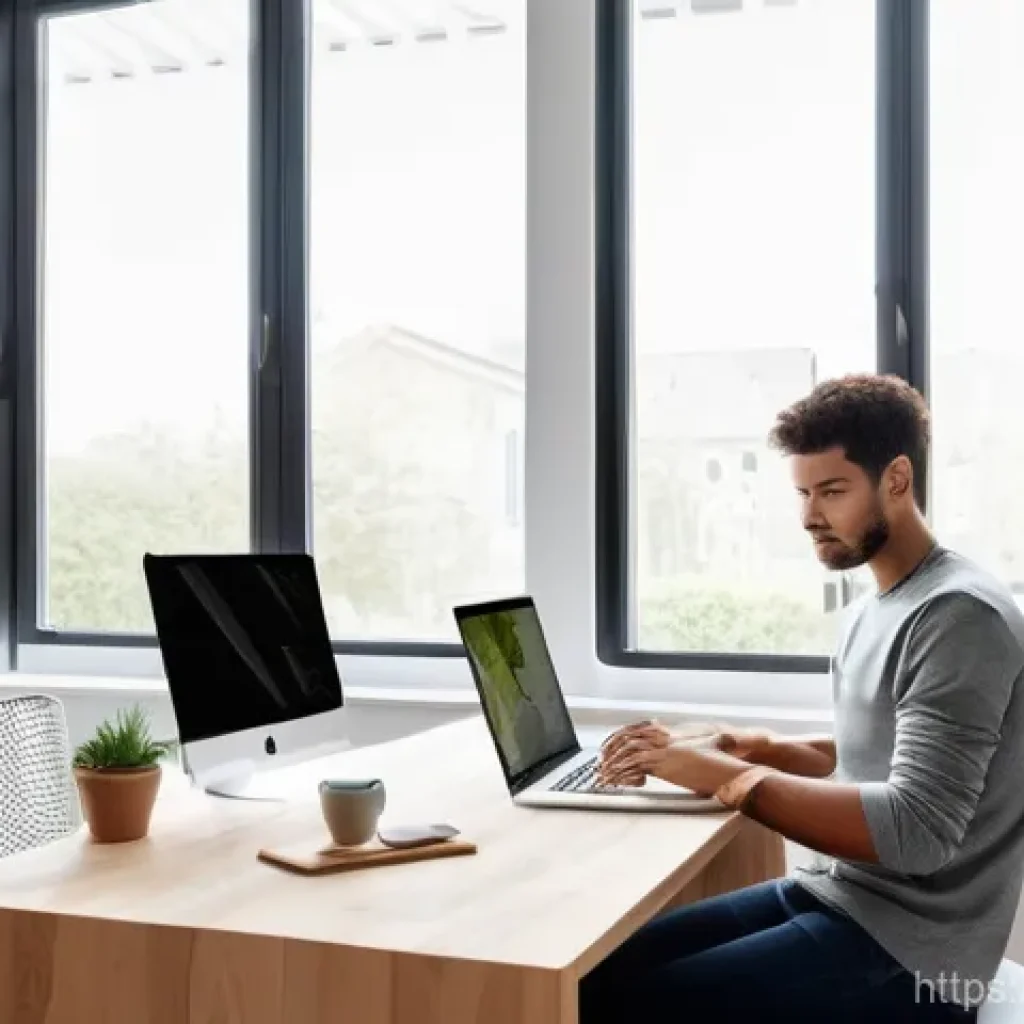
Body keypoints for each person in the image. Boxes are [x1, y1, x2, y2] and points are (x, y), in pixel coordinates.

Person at [581, 374, 1024, 1023]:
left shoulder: (958, 616)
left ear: (897, 479)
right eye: (802, 493)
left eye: (832, 491)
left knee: (630, 1006)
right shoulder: (878, 606)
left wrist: (727, 777)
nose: (810, 515)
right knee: (593, 980)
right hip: (840, 897)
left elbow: (917, 831)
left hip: (917, 957)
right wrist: (758, 747)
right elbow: (885, 756)